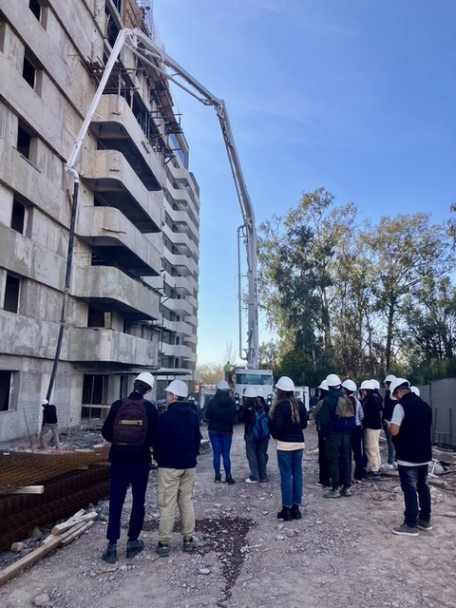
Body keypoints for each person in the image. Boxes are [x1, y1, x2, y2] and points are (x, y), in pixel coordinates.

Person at [101, 372, 158, 564]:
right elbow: (153, 437)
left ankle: (111, 547)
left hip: (118, 460)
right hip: (140, 461)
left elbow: (106, 432)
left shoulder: (118, 405)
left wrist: (120, 442)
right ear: (148, 390)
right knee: (138, 501)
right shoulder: (150, 409)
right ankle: (133, 542)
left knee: (116, 502)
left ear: (134, 384)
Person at [154, 379, 201, 557]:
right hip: (189, 465)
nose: (166, 397)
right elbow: (197, 440)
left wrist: (159, 459)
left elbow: (159, 443)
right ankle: (188, 539)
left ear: (173, 397)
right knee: (186, 502)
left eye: (168, 394)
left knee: (167, 504)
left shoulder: (166, 418)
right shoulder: (193, 416)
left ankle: (164, 543)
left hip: (169, 467)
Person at [386, 377, 433, 536]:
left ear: (398, 392)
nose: (397, 398)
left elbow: (394, 431)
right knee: (423, 487)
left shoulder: (400, 407)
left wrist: (390, 425)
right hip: (424, 455)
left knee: (410, 489)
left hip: (407, 456)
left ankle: (410, 523)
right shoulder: (425, 406)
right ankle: (425, 519)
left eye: (396, 395)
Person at [268, 376, 307, 521]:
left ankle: (286, 509)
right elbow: (303, 425)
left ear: (280, 391)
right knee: (298, 474)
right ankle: (296, 509)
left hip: (284, 445)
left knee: (286, 476)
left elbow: (277, 429)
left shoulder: (280, 406)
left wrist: (270, 425)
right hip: (299, 444)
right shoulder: (300, 405)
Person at [318, 374, 353, 498]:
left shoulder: (328, 400)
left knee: (334, 461)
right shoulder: (346, 399)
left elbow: (324, 421)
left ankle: (335, 489)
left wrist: (324, 435)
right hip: (346, 435)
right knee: (346, 460)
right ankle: (347, 488)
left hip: (333, 436)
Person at [205, 380, 237, 484]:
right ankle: (228, 476)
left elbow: (207, 415)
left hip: (214, 430)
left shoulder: (212, 402)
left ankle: (217, 476)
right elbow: (235, 417)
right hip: (227, 431)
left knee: (216, 454)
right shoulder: (232, 403)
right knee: (226, 454)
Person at [243, 387, 269, 483]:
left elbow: (244, 419)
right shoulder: (262, 407)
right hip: (261, 435)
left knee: (251, 455)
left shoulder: (247, 408)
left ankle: (254, 476)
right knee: (261, 454)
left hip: (251, 434)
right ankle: (263, 475)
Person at [360, 379, 383, 477]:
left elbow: (368, 416)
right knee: (375, 447)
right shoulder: (376, 399)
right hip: (376, 426)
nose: (362, 392)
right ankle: (377, 467)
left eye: (363, 390)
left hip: (371, 427)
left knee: (370, 448)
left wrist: (363, 424)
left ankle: (375, 470)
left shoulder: (370, 401)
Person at [342, 379, 364, 483]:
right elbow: (361, 416)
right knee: (358, 452)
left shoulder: (342, 401)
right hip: (357, 429)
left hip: (347, 430)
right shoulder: (357, 401)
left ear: (345, 390)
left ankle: (347, 475)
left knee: (347, 453)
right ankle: (359, 475)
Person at [312, 380, 330, 488]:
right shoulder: (337, 400)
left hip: (322, 432)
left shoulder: (321, 402)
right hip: (334, 433)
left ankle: (324, 480)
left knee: (323, 456)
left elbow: (314, 415)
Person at [381, 374, 397, 470]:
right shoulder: (397, 395)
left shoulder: (388, 396)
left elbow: (387, 410)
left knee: (390, 442)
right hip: (397, 421)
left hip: (389, 421)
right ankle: (396, 461)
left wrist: (385, 420)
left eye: (386, 384)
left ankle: (390, 462)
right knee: (397, 442)